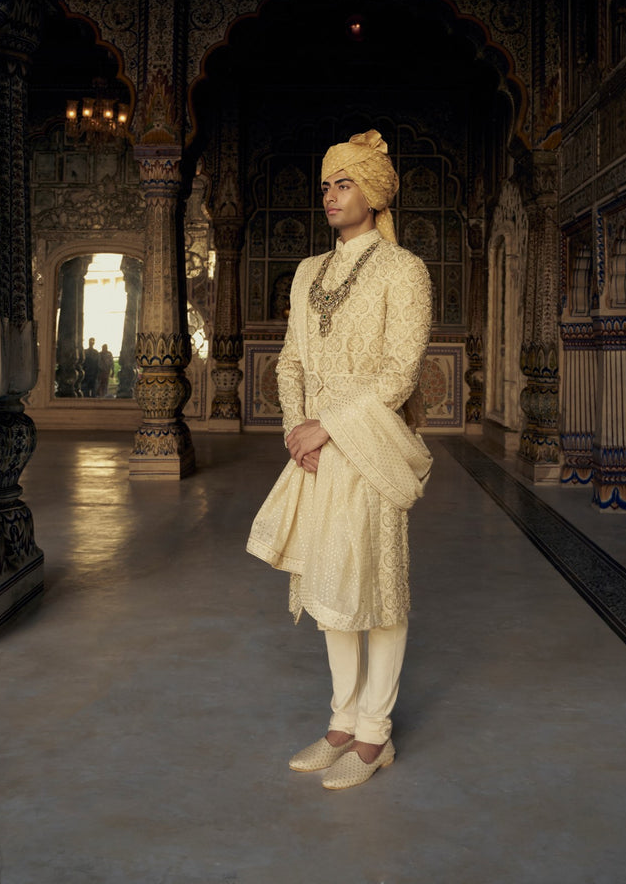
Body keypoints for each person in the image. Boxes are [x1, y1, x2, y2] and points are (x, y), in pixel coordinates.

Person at [247, 129, 432, 790]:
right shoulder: (306, 274)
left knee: (376, 590)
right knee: (330, 587)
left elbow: (399, 374)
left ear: (375, 191)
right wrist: (298, 430)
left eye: (344, 182)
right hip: (316, 450)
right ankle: (342, 721)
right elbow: (291, 360)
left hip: (368, 445)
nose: (330, 194)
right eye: (326, 184)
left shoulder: (402, 269)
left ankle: (375, 736)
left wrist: (328, 426)